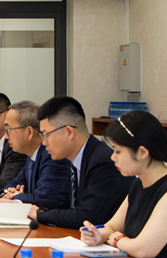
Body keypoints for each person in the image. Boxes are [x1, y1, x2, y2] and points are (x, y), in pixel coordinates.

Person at [81, 111, 167, 258]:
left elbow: (143, 249)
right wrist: (98, 234)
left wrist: (118, 240)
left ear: (142, 152)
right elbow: (112, 226)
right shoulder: (139, 183)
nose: (112, 157)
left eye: (118, 151)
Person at [30, 96, 132, 227]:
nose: (44, 143)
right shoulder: (75, 159)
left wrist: (39, 214)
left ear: (69, 132)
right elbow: (61, 202)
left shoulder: (102, 162)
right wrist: (24, 206)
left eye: (46, 135)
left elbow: (86, 217)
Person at [0, 101, 70, 210]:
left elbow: (44, 198)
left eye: (8, 130)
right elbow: (10, 185)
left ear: (29, 132)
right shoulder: (31, 156)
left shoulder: (52, 156)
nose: (6, 137)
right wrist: (8, 194)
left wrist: (16, 196)